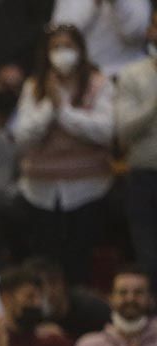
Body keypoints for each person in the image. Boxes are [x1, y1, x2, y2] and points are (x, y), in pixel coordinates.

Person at [12, 23, 114, 286]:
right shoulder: (34, 86)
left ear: (81, 50)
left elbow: (106, 131)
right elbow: (22, 136)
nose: (62, 53)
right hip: (40, 192)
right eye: (56, 47)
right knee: (45, 262)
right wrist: (49, 107)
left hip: (88, 191)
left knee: (79, 263)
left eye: (68, 46)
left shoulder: (98, 83)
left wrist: (66, 112)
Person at [117, 12, 157, 283]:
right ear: (151, 30)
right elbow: (123, 131)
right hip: (144, 176)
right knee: (149, 257)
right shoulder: (132, 75)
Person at [51, 0, 150, 76]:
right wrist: (93, 4)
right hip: (84, 80)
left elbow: (138, 36)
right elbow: (60, 35)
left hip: (127, 77)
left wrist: (117, 3)